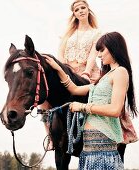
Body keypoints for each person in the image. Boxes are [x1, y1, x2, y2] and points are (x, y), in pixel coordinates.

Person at [44, 32, 138, 170]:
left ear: (114, 48)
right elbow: (74, 89)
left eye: (102, 50)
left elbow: (115, 110)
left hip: (103, 143)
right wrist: (58, 68)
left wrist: (83, 107)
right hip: (89, 146)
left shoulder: (120, 72)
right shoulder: (104, 78)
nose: (99, 55)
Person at [40, 0, 101, 151]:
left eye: (83, 8)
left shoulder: (96, 33)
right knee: (45, 97)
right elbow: (60, 56)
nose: (80, 11)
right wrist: (60, 72)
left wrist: (86, 72)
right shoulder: (68, 35)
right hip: (67, 73)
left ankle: (98, 132)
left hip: (87, 72)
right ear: (73, 14)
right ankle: (50, 136)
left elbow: (93, 55)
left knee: (99, 95)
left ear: (88, 10)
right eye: (77, 9)